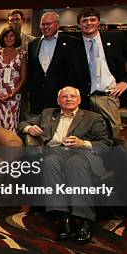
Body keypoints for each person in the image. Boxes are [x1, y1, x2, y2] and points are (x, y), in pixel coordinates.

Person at [18, 86, 112, 243]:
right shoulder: (48, 113)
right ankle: (63, 218)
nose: (69, 99)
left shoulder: (93, 118)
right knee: (48, 162)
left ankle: (84, 220)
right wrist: (29, 128)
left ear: (79, 100)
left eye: (73, 96)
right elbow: (22, 124)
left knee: (75, 163)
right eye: (64, 97)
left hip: (81, 155)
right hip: (54, 153)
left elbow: (106, 144)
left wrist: (83, 143)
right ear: (58, 101)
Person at [70, 7, 127, 138]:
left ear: (98, 22)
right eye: (84, 20)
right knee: (84, 135)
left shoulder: (116, 38)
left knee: (111, 134)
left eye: (93, 19)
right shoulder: (74, 44)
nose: (89, 23)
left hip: (108, 97)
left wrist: (126, 82)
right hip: (84, 98)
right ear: (79, 24)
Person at [27, 11, 78, 115]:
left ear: (57, 24)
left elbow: (75, 70)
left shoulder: (72, 42)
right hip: (37, 99)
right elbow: (31, 70)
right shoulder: (33, 44)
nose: (45, 27)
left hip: (60, 98)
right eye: (43, 24)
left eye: (48, 24)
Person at [0, 26, 27, 132]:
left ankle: (10, 147)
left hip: (14, 96)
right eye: (5, 36)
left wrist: (12, 94)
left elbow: (23, 77)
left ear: (16, 38)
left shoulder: (22, 54)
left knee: (11, 124)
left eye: (11, 36)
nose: (8, 39)